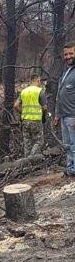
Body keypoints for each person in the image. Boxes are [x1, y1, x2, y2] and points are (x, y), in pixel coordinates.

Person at [14, 73, 47, 157]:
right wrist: (44, 116)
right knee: (39, 142)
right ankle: (32, 157)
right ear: (37, 80)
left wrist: (23, 112)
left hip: (25, 121)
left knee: (27, 144)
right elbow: (44, 108)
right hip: (36, 121)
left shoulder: (24, 91)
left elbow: (16, 105)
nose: (40, 82)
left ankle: (26, 162)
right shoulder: (39, 91)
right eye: (39, 81)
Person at [55, 43, 75, 176]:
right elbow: (59, 95)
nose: (68, 56)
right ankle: (70, 169)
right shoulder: (66, 72)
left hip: (72, 116)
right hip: (64, 116)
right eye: (66, 54)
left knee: (74, 145)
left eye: (71, 53)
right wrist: (57, 115)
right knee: (67, 145)